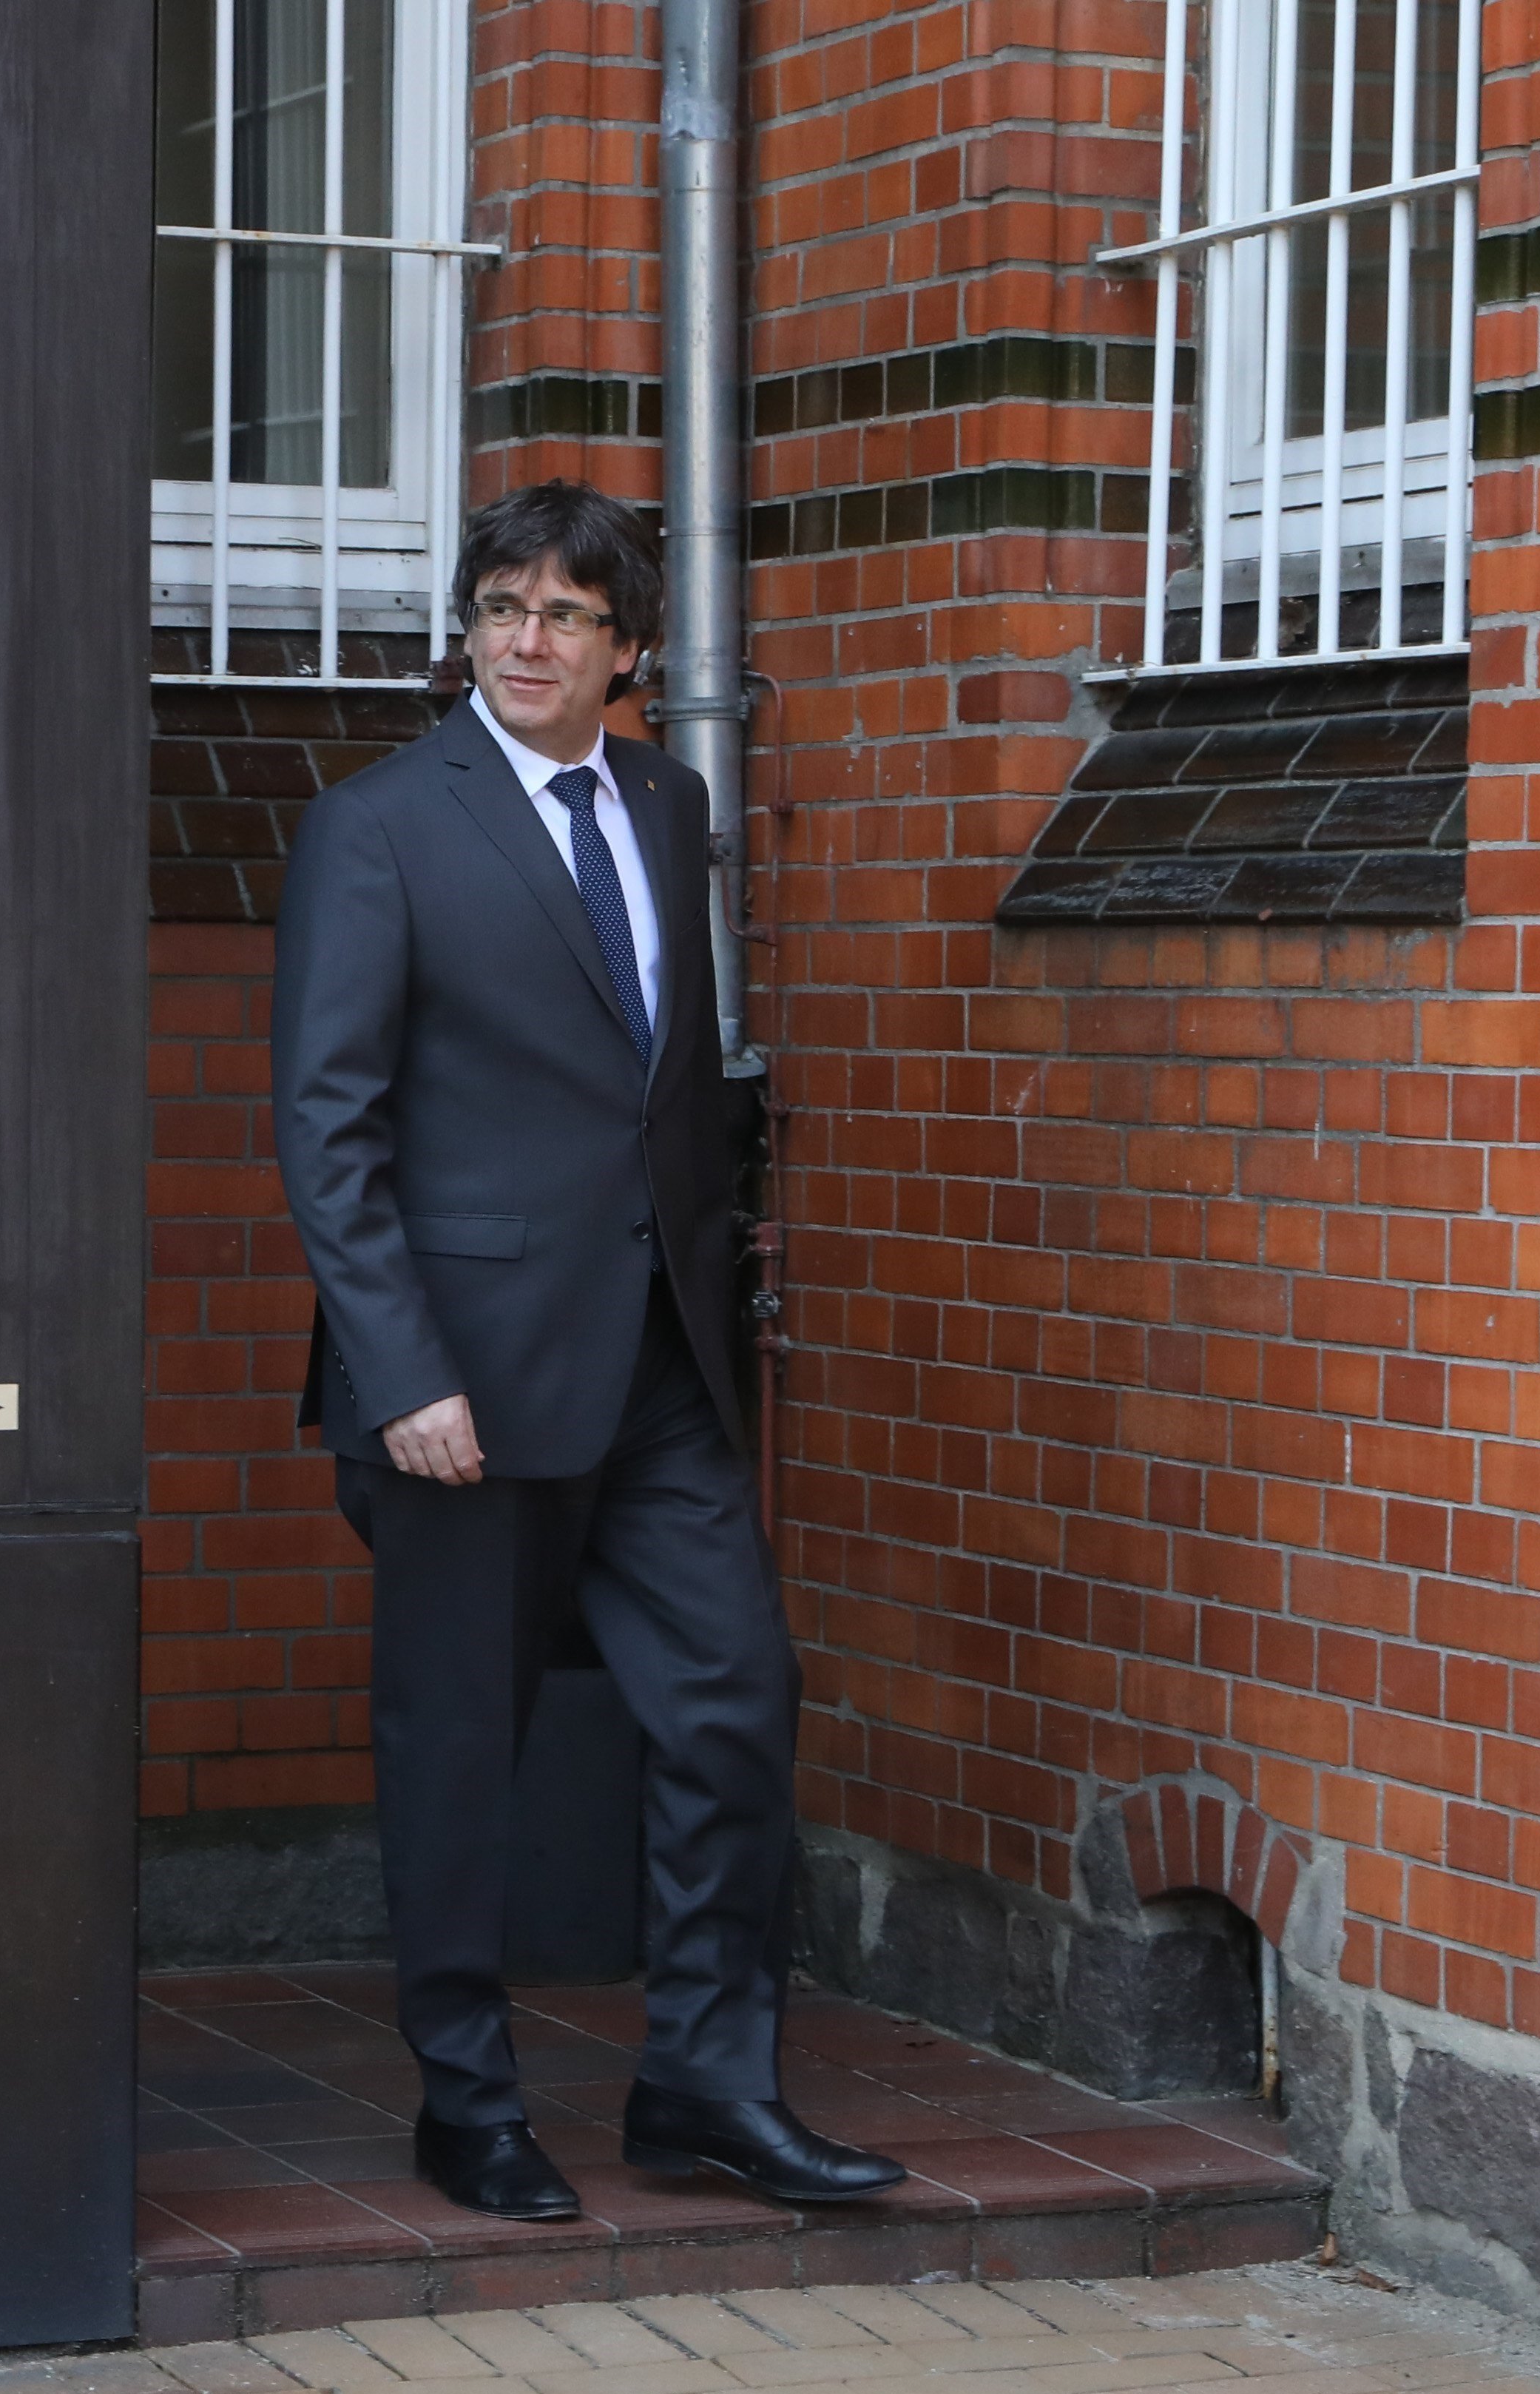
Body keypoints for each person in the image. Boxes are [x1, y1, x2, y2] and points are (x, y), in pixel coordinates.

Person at [269, 481, 904, 2225]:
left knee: (731, 1705)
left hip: (659, 1368)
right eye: (499, 607)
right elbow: (331, 1126)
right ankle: (464, 2101)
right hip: (461, 1381)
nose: (527, 640)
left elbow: (658, 1086)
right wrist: (400, 1371)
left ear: (630, 650)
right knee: (461, 1745)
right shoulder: (381, 826)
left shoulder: (667, 796)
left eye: (563, 614)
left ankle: (706, 2081)